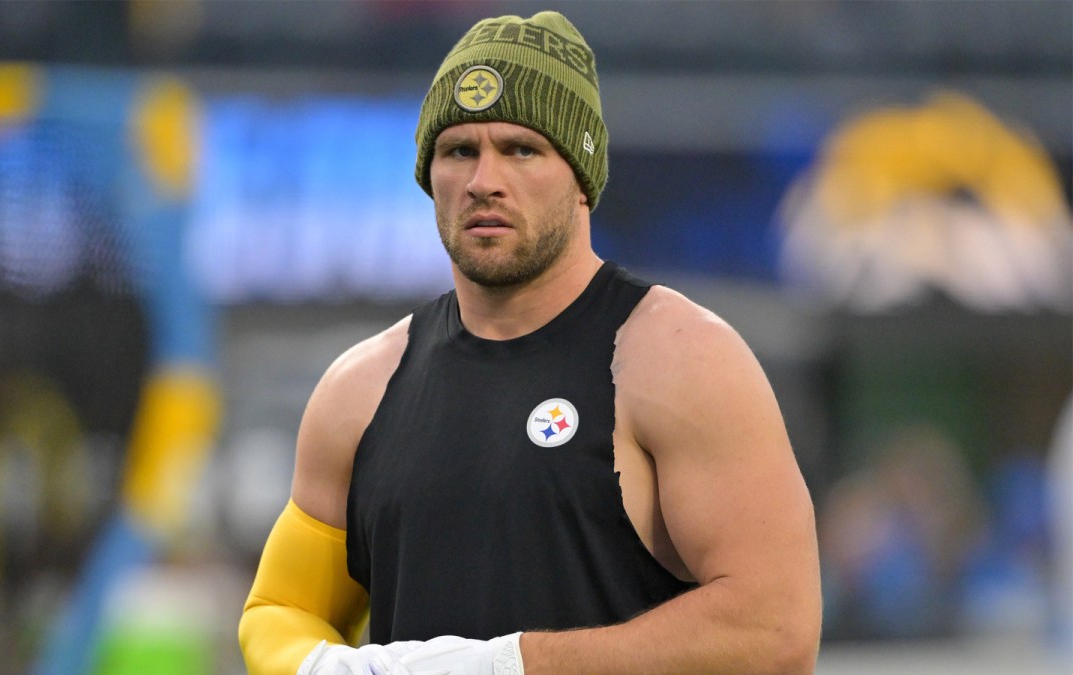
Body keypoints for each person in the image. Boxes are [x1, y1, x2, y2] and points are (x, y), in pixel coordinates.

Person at [239, 10, 821, 675]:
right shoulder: (361, 389)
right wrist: (317, 669)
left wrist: (513, 664)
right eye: (459, 150)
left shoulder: (677, 358)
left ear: (581, 174)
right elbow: (279, 607)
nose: (484, 179)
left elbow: (775, 631)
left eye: (520, 148)